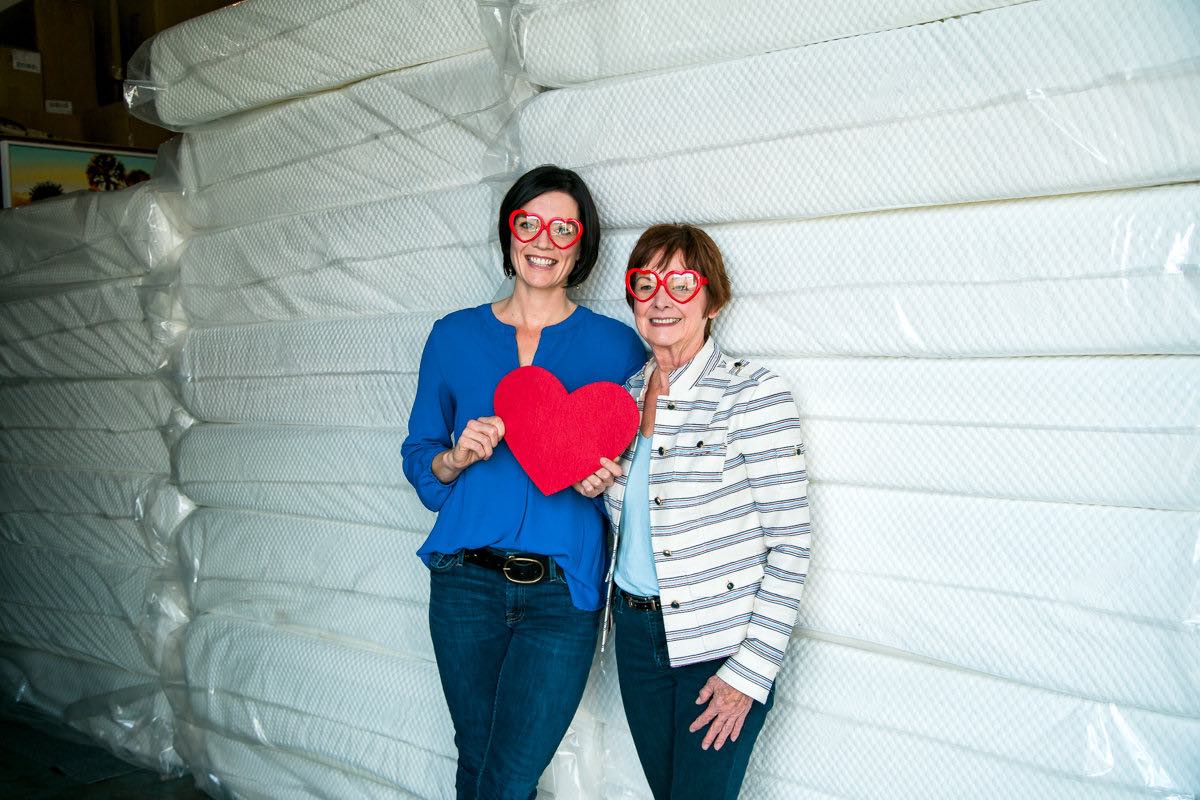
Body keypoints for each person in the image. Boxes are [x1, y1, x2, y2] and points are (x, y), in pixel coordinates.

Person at [400, 165, 645, 799]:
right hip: (463, 584)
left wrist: (607, 482)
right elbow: (420, 454)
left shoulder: (619, 347)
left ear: (583, 246)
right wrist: (454, 459)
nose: (544, 239)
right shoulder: (452, 336)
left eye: (564, 228)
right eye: (528, 222)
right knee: (476, 754)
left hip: (561, 594)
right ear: (509, 234)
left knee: (508, 772)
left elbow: (643, 468)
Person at [601, 224, 811, 799]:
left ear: (712, 299)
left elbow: (790, 543)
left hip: (717, 646)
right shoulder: (621, 400)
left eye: (681, 282)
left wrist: (748, 673)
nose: (661, 298)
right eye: (645, 283)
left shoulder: (753, 392)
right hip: (636, 636)